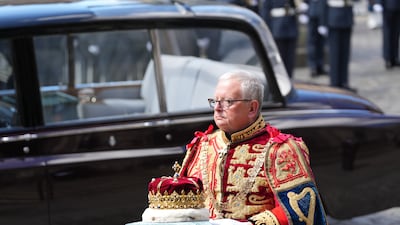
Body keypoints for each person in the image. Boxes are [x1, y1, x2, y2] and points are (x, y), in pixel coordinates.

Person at [179, 70, 328, 225]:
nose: (217, 108)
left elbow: (302, 210)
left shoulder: (281, 149)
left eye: (227, 102)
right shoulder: (202, 145)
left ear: (252, 108)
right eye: (215, 101)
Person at [319, 0, 355, 91]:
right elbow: (322, 3)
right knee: (334, 54)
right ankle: (334, 83)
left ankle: (344, 81)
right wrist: (322, 22)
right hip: (334, 16)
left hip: (347, 15)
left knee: (345, 53)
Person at [262, 0, 299, 78]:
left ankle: (289, 80)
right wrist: (267, 31)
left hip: (291, 26)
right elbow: (265, 12)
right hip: (277, 28)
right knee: (279, 61)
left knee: (290, 60)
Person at [372, 0, 400, 69]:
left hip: (397, 6)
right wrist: (379, 3)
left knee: (396, 34)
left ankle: (394, 57)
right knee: (387, 34)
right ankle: (387, 58)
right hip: (387, 6)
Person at [304, 0, 328, 77]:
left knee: (321, 42)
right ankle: (313, 66)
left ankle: (320, 65)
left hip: (322, 11)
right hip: (313, 11)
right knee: (312, 42)